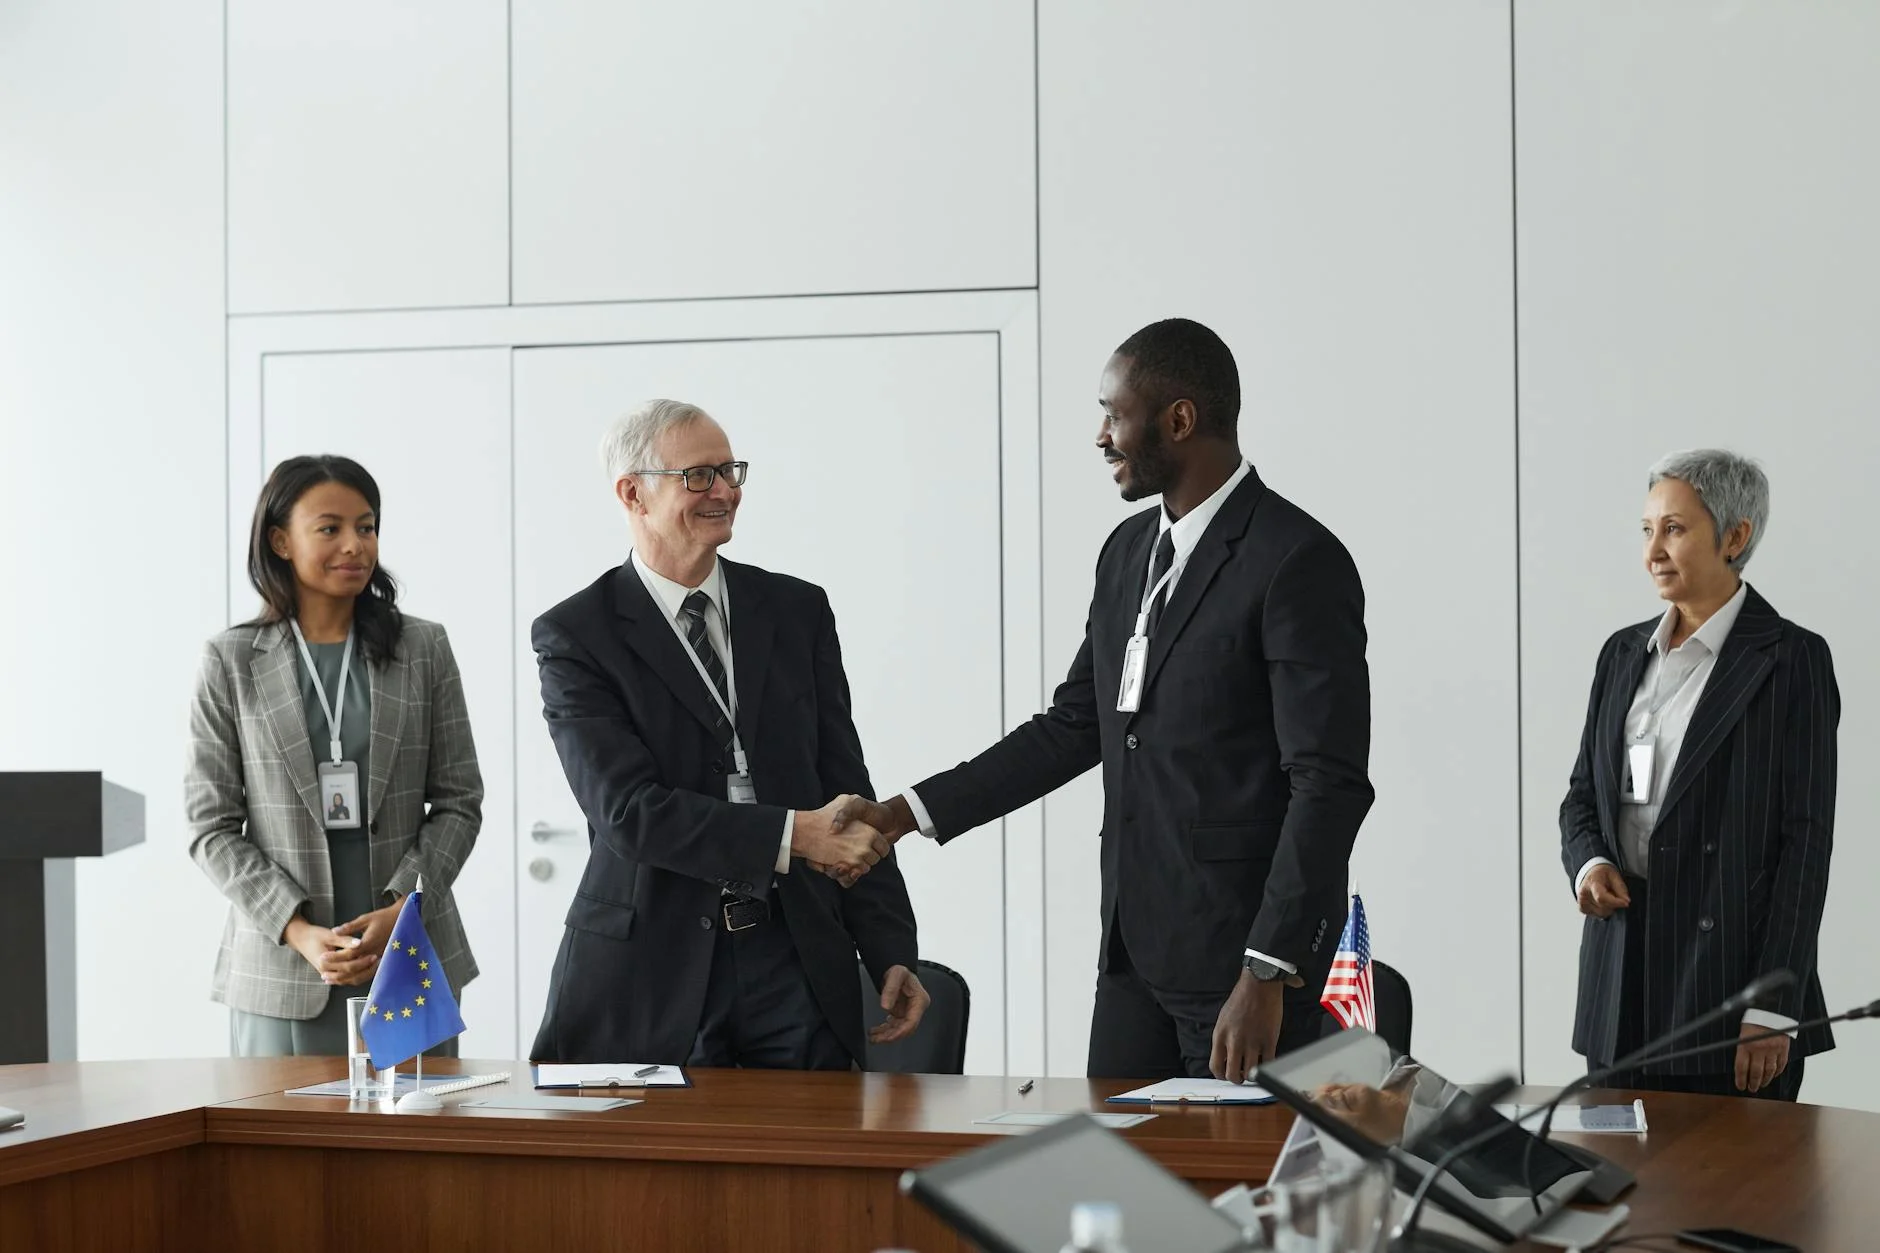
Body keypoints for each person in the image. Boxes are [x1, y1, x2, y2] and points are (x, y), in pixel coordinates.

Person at [837, 318, 1373, 1081]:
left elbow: (1329, 783)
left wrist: (1269, 968)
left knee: (1225, 1197)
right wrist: (904, 813)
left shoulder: (1296, 560)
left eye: (1113, 413)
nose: (1100, 436)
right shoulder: (1126, 553)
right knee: (1118, 1189)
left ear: (1179, 419)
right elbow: (1074, 726)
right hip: (1130, 960)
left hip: (1242, 973)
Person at [528, 399, 928, 1069]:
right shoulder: (577, 634)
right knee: (658, 1175)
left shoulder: (796, 610)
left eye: (731, 470)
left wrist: (889, 944)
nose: (727, 491)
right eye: (700, 476)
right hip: (654, 965)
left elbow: (845, 786)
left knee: (809, 1167)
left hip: (795, 955)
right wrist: (792, 834)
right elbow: (628, 811)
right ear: (634, 492)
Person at [1561, 449, 1836, 1100]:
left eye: (1675, 529)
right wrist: (1589, 863)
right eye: (1647, 529)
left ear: (1735, 536)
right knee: (1620, 1183)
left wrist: (1774, 1004)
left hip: (1728, 986)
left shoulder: (1791, 659)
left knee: (1727, 1197)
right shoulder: (1621, 653)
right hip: (1620, 976)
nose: (1654, 549)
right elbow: (1581, 797)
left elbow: (1805, 845)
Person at [187, 455, 483, 1056]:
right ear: (280, 540)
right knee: (281, 1149)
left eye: (367, 527)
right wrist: (297, 931)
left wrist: (404, 907)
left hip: (407, 952)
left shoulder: (424, 647)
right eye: (331, 528)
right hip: (283, 966)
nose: (355, 544)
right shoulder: (231, 660)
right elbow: (210, 827)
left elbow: (459, 802)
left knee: (415, 1144)